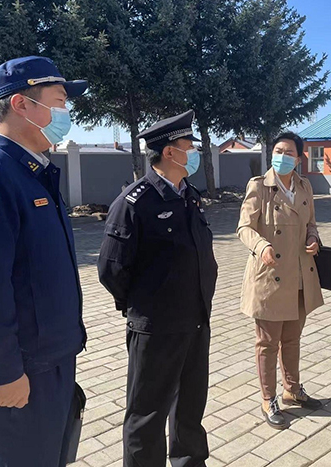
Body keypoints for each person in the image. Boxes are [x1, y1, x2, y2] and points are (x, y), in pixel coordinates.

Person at [0, 56, 88, 466]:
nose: (66, 113)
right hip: (20, 372)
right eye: (59, 102)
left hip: (50, 363)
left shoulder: (32, 172)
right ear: (22, 104)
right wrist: (4, 372)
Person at [98, 110, 218, 466]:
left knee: (190, 408)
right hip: (156, 327)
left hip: (195, 321)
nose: (194, 152)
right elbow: (111, 269)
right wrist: (143, 305)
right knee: (147, 415)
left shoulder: (189, 195)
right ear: (169, 152)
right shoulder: (134, 203)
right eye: (189, 146)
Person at [237, 131, 324, 430]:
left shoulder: (304, 186)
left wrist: (313, 238)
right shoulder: (259, 186)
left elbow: (311, 223)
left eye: (288, 152)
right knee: (267, 343)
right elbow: (244, 227)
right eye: (278, 151)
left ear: (298, 159)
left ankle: (292, 389)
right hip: (269, 275)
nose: (282, 156)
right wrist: (261, 246)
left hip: (299, 276)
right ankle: (268, 398)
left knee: (292, 339)